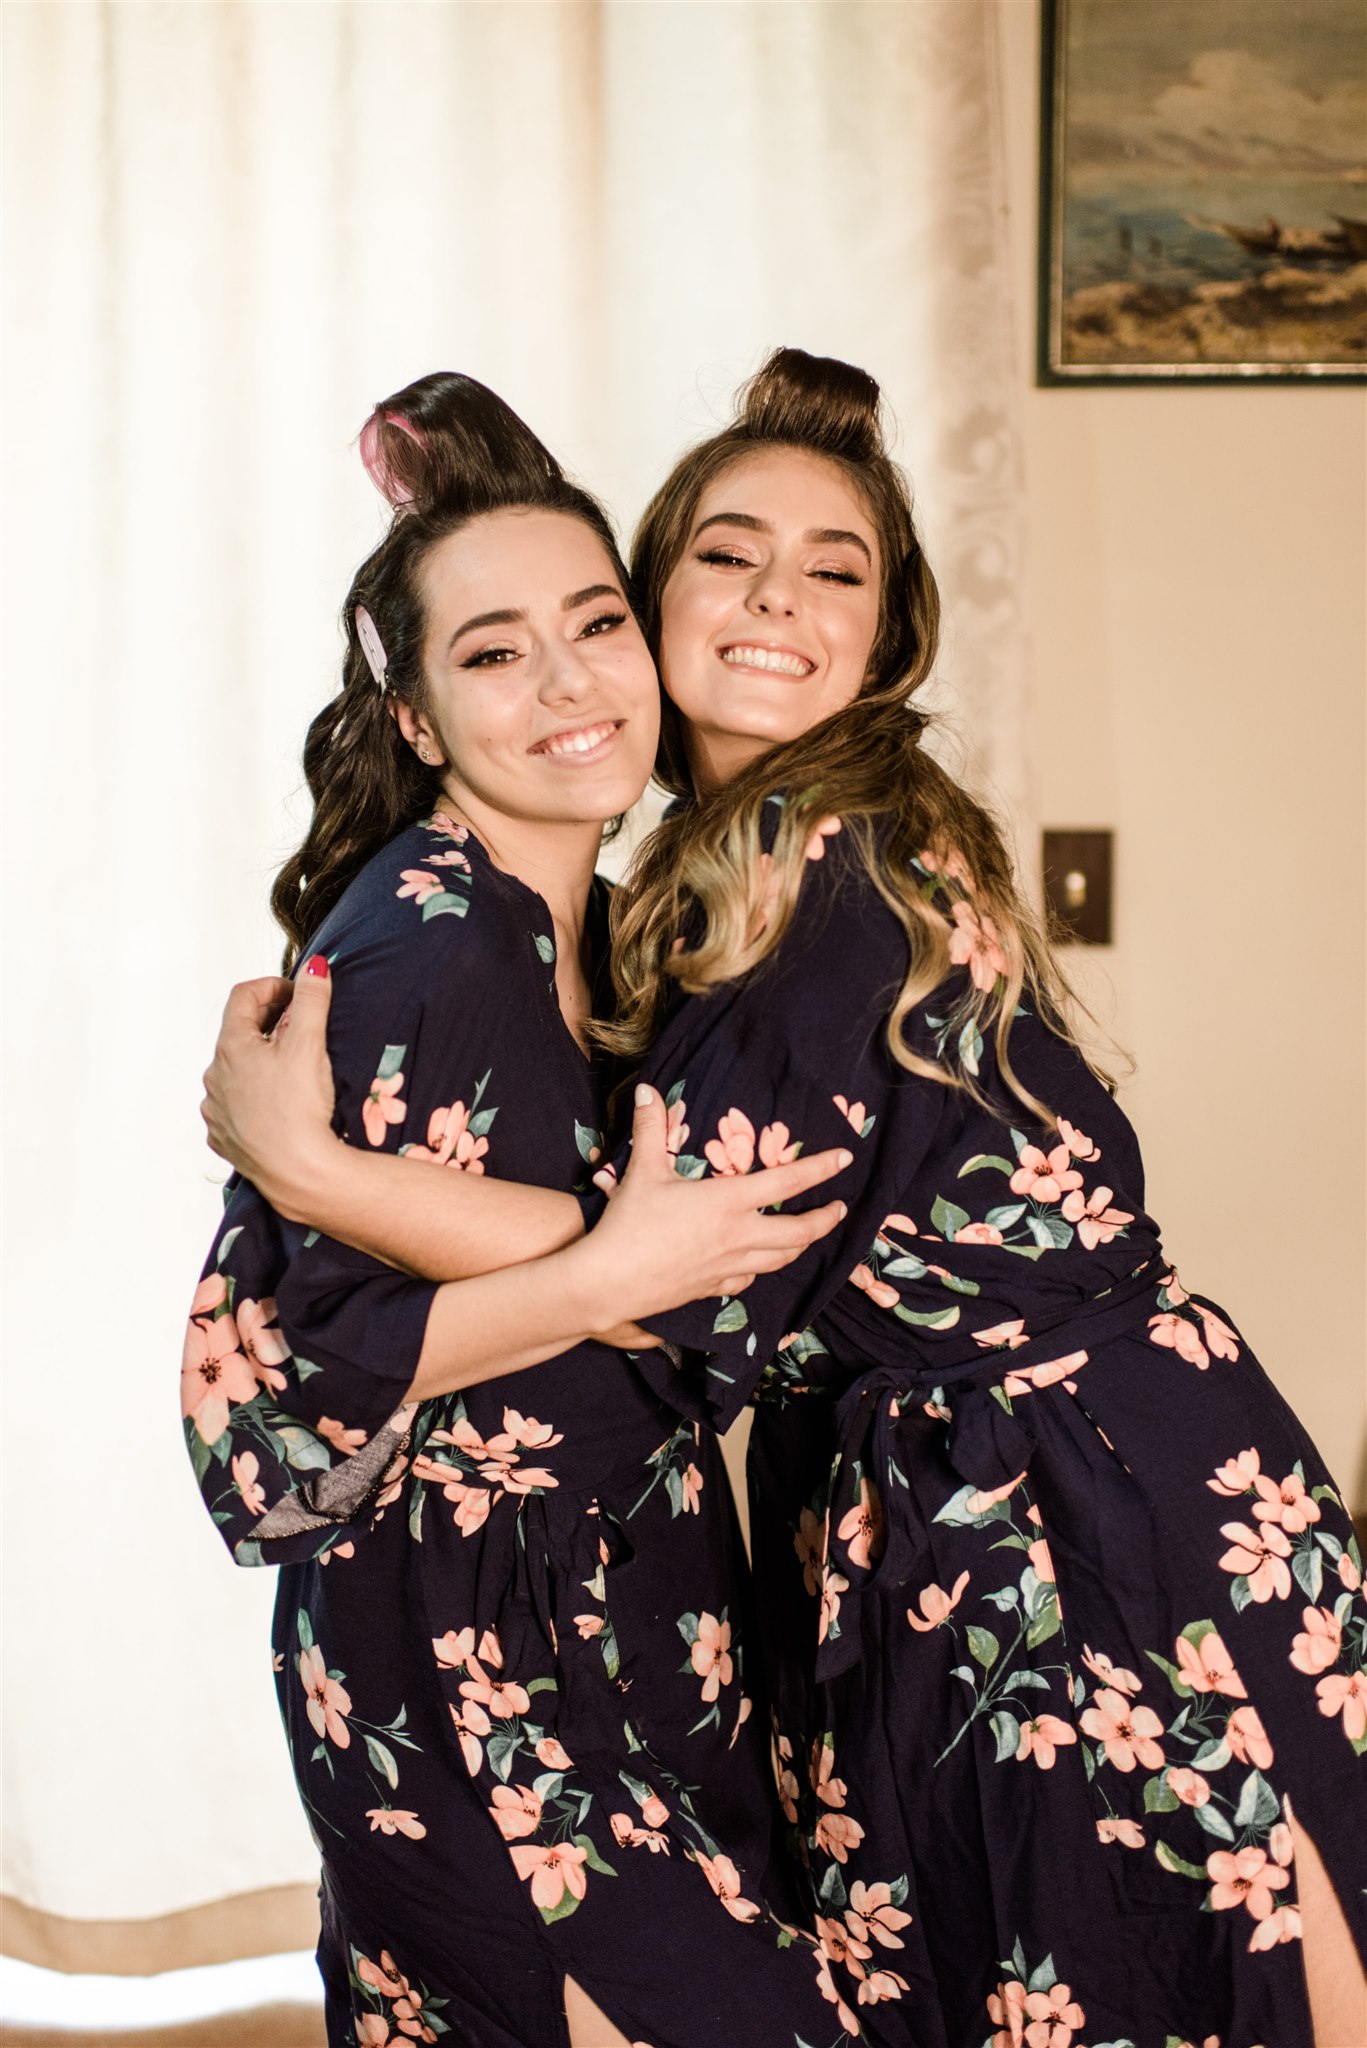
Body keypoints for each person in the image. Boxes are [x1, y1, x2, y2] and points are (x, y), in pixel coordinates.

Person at [203, 351, 1367, 2048]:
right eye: (728, 555)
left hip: (1073, 1492)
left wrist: (312, 1168)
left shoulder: (828, 858)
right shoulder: (626, 898)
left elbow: (693, 1265)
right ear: (664, 593)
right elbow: (654, 1243)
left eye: (837, 571)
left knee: (1225, 1972)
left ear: (885, 641)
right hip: (946, 1497)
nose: (776, 600)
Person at [182, 371, 870, 2048]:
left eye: (596, 625)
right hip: (472, 1630)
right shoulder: (433, 937)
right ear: (417, 719)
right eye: (494, 654)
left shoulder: (607, 922)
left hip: (622, 1595)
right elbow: (329, 1348)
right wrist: (623, 1266)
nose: (570, 684)